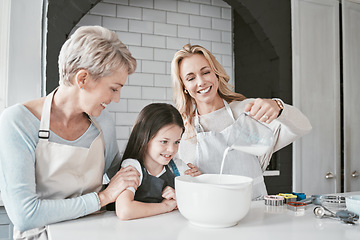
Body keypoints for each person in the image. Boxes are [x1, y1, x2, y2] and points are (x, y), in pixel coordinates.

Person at [0, 26, 140, 239]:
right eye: (113, 88)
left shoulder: (103, 122)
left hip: (94, 233)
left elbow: (118, 177)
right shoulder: (18, 122)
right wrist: (101, 198)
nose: (117, 99)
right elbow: (25, 214)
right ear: (82, 79)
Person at [171, 44, 312, 200]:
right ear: (184, 86)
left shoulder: (248, 111)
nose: (201, 81)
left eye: (206, 72)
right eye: (191, 78)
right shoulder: (183, 129)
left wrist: (279, 107)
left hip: (255, 212)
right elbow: (174, 177)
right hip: (211, 215)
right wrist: (189, 177)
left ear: (216, 74)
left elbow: (303, 127)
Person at [115, 103, 201, 220]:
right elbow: (125, 211)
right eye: (164, 141)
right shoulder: (132, 167)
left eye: (176, 142)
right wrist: (165, 206)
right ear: (144, 137)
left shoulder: (178, 166)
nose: (172, 150)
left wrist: (181, 197)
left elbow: (200, 199)